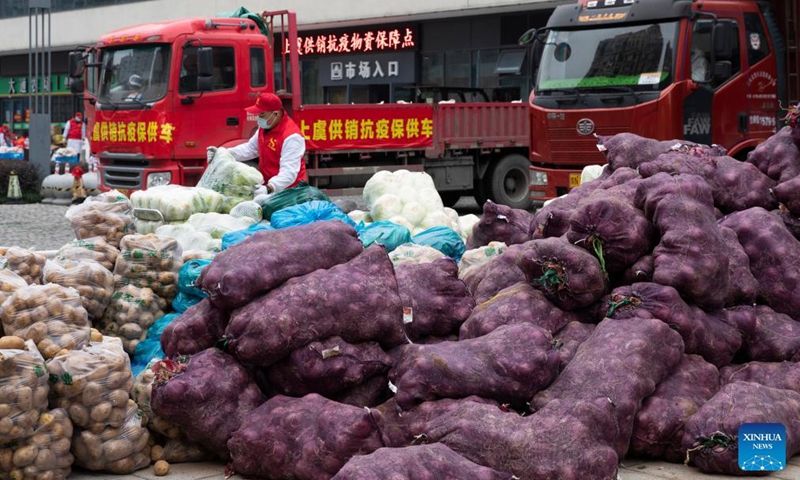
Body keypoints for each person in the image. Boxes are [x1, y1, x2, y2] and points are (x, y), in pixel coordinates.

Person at [206, 92, 307, 194]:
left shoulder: (292, 137)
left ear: (276, 114)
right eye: (258, 114)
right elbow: (250, 149)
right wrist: (223, 153)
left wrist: (269, 188)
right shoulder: (265, 127)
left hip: (290, 191)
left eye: (262, 114)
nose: (259, 118)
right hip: (270, 187)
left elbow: (289, 173)